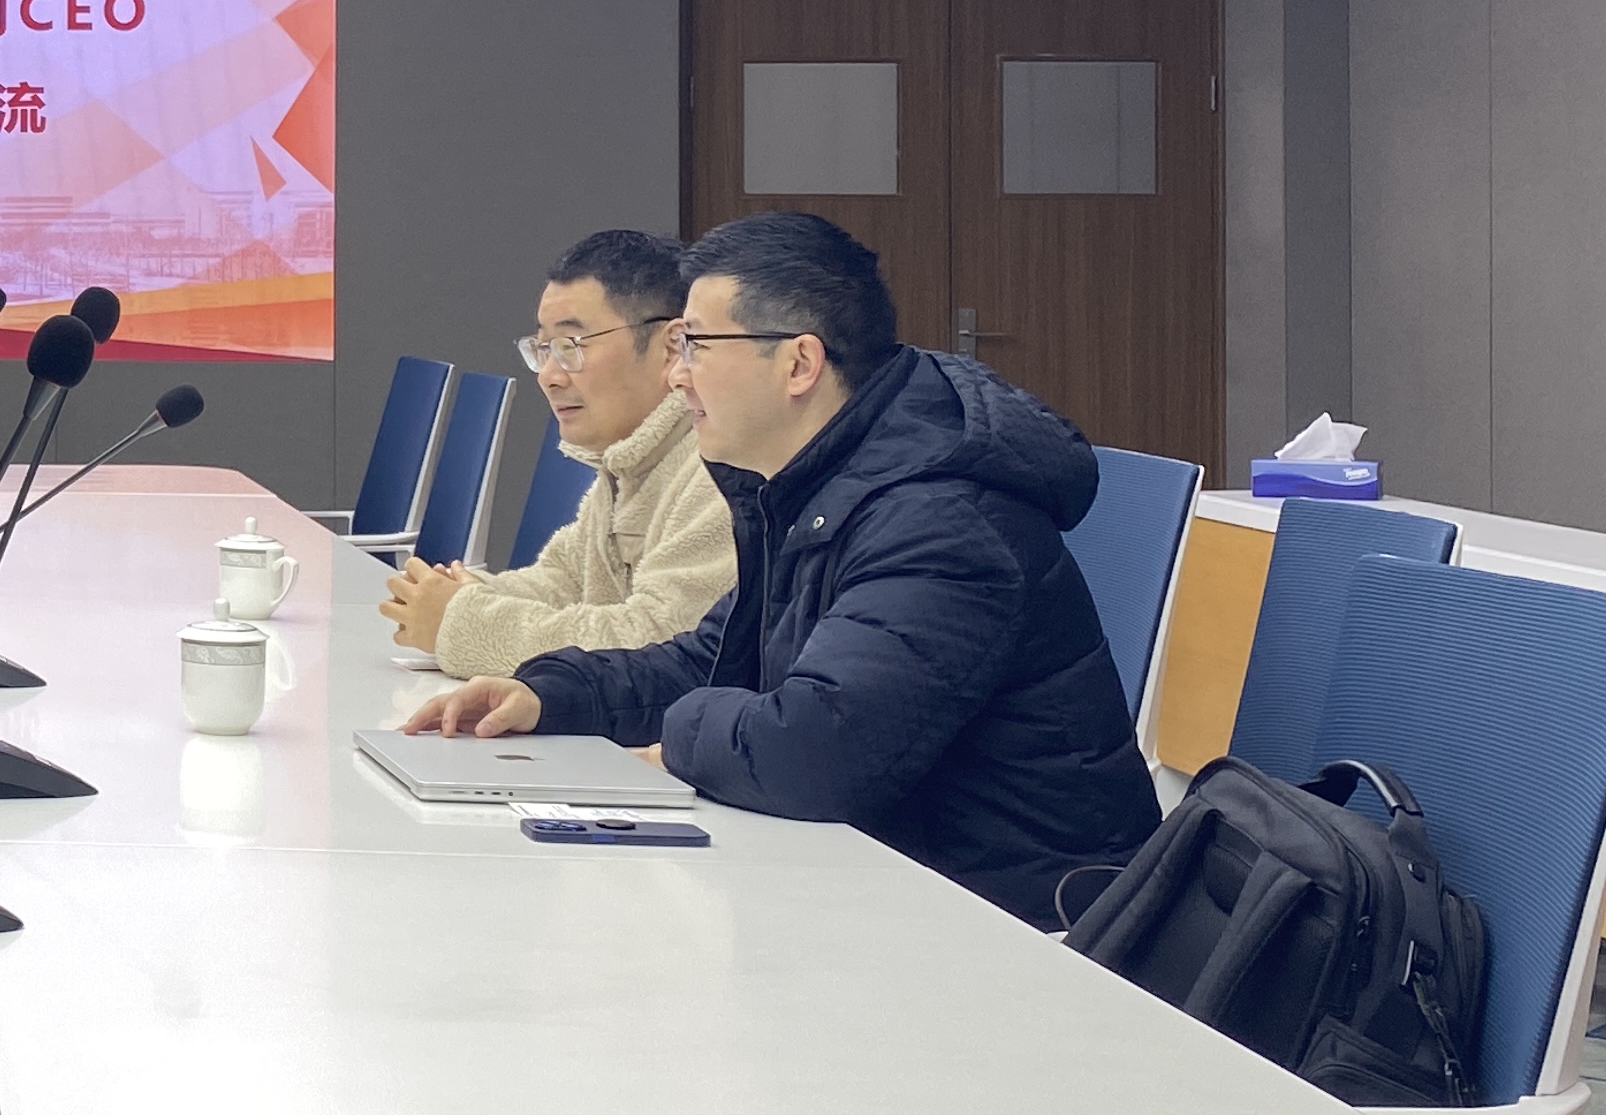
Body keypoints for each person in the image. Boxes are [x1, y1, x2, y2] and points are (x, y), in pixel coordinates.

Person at [403, 210, 1157, 924]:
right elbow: (713, 657)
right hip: (884, 883)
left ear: (799, 363)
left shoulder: (939, 519)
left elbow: (817, 750)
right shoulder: (815, 483)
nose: (678, 376)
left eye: (697, 346)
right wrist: (551, 693)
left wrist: (681, 736)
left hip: (1015, 925)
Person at [380, 228, 734, 678]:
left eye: (571, 347)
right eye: (543, 349)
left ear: (670, 347)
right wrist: (452, 596)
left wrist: (460, 620)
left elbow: (660, 643)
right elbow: (563, 582)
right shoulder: (630, 460)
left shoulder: (722, 468)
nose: (548, 375)